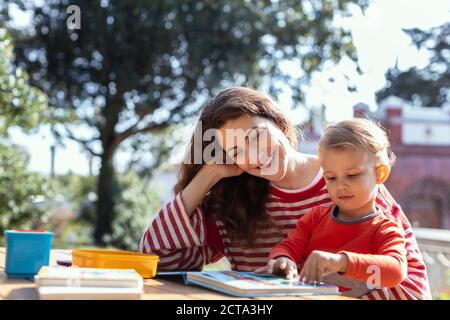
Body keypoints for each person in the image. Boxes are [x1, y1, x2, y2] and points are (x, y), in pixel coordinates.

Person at [139, 87, 431, 300]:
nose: (255, 156)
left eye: (256, 137)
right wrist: (210, 174)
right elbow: (157, 259)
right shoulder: (233, 203)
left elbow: (410, 281)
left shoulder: (349, 178)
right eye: (237, 151)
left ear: (278, 123)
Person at [255, 119, 422, 298]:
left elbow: (395, 271)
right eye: (331, 178)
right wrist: (283, 259)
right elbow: (288, 245)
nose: (341, 185)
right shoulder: (315, 217)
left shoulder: (385, 227)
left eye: (352, 175)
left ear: (379, 173)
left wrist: (342, 263)